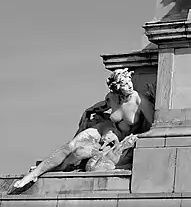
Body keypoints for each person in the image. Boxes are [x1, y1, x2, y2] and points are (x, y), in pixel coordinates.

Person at [13, 69, 154, 189]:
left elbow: (154, 126)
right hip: (107, 129)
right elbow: (97, 108)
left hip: (121, 138)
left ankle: (56, 168)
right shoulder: (113, 97)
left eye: (127, 86)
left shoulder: (140, 101)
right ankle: (34, 174)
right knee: (71, 146)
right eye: (121, 89)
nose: (126, 91)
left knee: (79, 153)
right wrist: (87, 115)